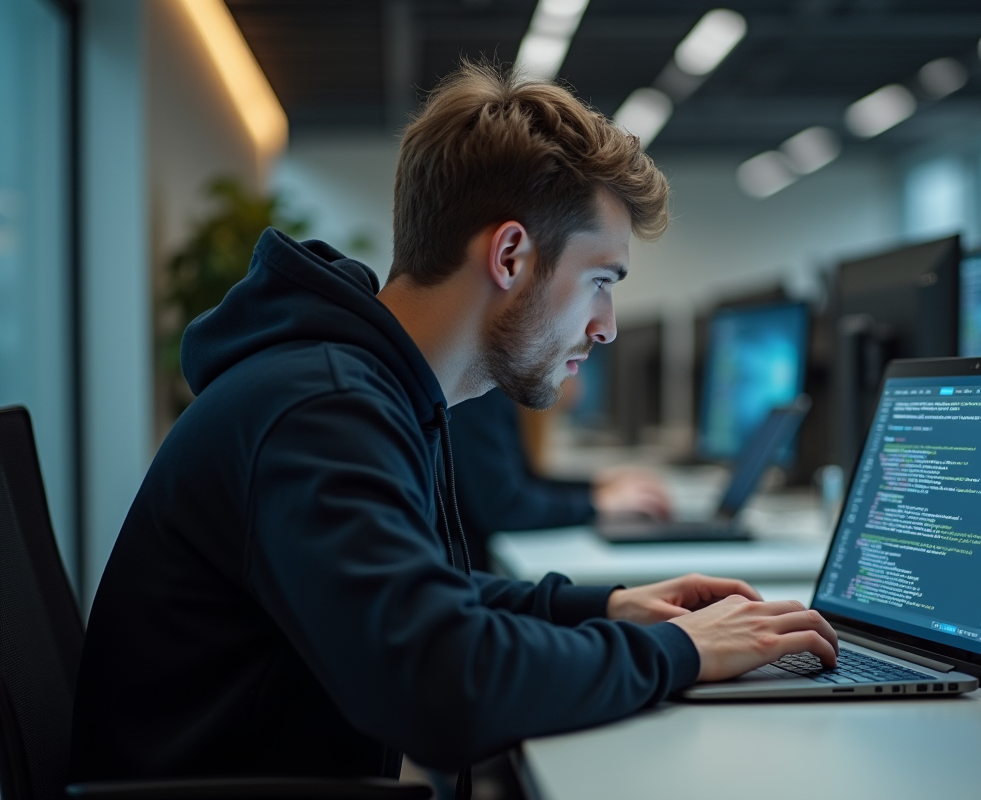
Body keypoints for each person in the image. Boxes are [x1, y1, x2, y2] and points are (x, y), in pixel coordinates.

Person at [70, 61, 838, 790]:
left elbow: (425, 602)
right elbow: (441, 685)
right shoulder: (324, 409)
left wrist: (604, 607)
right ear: (510, 255)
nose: (605, 327)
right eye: (600, 280)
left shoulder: (358, 386)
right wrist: (674, 652)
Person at [448, 388, 671, 568]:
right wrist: (600, 502)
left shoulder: (489, 389)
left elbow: (521, 481)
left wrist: (595, 486)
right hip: (470, 576)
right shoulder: (478, 393)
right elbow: (504, 506)